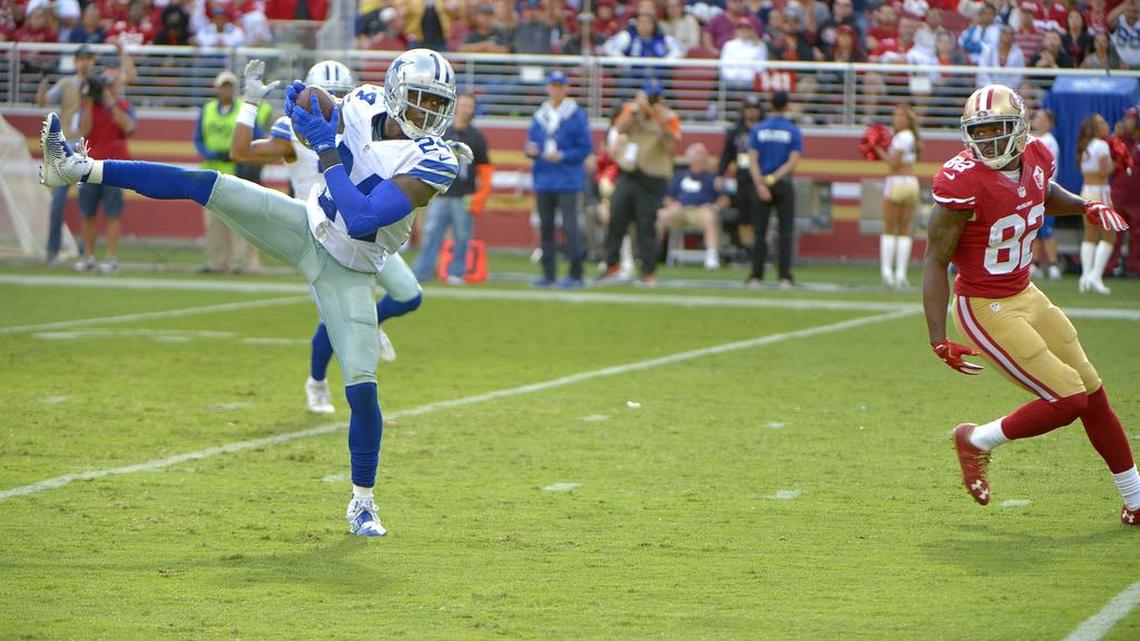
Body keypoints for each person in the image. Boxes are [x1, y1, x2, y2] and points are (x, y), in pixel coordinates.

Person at [40, 48, 460, 537]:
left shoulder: (435, 159)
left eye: (435, 103)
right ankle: (75, 168)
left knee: (363, 389)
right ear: (392, 90)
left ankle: (363, 503)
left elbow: (363, 217)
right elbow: (313, 118)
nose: (426, 113)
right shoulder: (364, 101)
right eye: (418, 100)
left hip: (351, 267)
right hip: (305, 225)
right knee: (206, 183)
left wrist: (325, 149)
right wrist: (304, 103)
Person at [923, 84, 1137, 526]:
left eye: (998, 129)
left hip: (1027, 293)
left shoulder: (1037, 156)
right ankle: (976, 440)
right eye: (979, 132)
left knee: (1093, 394)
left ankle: (1135, 501)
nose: (989, 141)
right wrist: (937, 338)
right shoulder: (960, 181)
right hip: (984, 304)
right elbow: (935, 258)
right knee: (1069, 397)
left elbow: (1041, 190)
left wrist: (1085, 208)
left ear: (1019, 129)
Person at [229, 60, 411, 413]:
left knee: (409, 294)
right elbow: (240, 152)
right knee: (332, 321)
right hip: (320, 233)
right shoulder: (293, 130)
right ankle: (317, 383)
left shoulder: (362, 122)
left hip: (366, 232)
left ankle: (372, 322)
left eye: (341, 95)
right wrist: (249, 103)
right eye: (329, 96)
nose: (336, 103)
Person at [598, 77, 681, 287]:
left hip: (653, 177)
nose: (650, 102)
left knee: (646, 225)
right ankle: (611, 265)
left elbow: (671, 145)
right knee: (617, 218)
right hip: (630, 172)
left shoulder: (670, 117)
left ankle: (648, 271)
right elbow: (618, 128)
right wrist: (636, 110)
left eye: (654, 98)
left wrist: (658, 117)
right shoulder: (633, 111)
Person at [414, 93, 493, 285]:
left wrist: (481, 195)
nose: (466, 109)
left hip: (465, 195)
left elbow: (485, 169)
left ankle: (456, 272)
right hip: (441, 193)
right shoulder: (442, 133)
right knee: (432, 233)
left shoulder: (477, 138)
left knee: (462, 236)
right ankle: (422, 272)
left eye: (469, 106)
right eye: (463, 105)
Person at [526, 70, 593, 288]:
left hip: (567, 179)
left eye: (559, 85)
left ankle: (576, 274)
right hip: (544, 178)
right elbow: (531, 143)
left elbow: (585, 148)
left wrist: (563, 155)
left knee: (571, 228)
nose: (556, 89)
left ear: (566, 88)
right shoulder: (540, 115)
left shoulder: (576, 115)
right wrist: (531, 150)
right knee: (546, 228)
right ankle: (549, 273)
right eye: (553, 85)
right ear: (548, 88)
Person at [35, 44, 95, 266]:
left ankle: (85, 249)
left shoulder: (95, 85)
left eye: (88, 58)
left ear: (93, 61)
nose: (84, 62)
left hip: (86, 148)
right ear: (76, 61)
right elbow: (42, 101)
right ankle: (53, 249)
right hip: (66, 147)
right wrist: (43, 79)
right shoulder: (67, 83)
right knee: (57, 202)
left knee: (87, 204)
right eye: (81, 58)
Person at [72, 71, 135, 273]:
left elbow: (129, 127)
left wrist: (111, 104)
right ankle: (88, 256)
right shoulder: (86, 106)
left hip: (114, 167)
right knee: (87, 213)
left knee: (112, 214)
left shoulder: (123, 106)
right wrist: (90, 101)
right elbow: (83, 130)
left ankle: (111, 257)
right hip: (89, 165)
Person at [195, 70, 252, 274]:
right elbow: (198, 140)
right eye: (223, 86)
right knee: (212, 222)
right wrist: (212, 153)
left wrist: (236, 154)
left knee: (238, 220)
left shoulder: (243, 110)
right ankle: (215, 262)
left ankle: (238, 262)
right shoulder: (207, 110)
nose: (226, 90)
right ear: (217, 88)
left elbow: (254, 136)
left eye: (230, 86)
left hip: (236, 171)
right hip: (210, 172)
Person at [745, 90, 802, 289]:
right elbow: (792, 162)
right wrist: (773, 179)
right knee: (785, 232)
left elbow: (752, 159)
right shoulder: (792, 130)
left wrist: (760, 183)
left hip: (760, 183)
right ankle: (784, 276)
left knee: (759, 232)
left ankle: (756, 276)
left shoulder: (759, 129)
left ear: (770, 105)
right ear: (787, 106)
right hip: (783, 183)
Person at [875, 104, 921, 289]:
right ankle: (901, 274)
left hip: (896, 183)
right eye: (895, 116)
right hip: (911, 183)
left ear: (908, 120)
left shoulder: (902, 137)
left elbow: (893, 163)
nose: (896, 120)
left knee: (889, 226)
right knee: (904, 228)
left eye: (900, 117)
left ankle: (888, 272)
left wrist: (877, 150)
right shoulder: (913, 138)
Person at [657, 143, 722, 270]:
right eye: (699, 154)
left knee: (710, 217)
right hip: (680, 211)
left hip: (700, 211)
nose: (702, 157)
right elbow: (667, 197)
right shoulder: (680, 176)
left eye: (704, 154)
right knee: (661, 215)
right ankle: (652, 253)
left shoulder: (712, 178)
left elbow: (724, 199)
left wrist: (715, 207)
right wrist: (672, 204)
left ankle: (712, 257)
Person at [718, 95, 765, 260]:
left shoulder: (764, 130)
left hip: (760, 179)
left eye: (754, 108)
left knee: (760, 216)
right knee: (744, 216)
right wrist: (720, 174)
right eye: (748, 108)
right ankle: (746, 249)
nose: (751, 112)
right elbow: (726, 155)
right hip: (743, 178)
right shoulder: (736, 131)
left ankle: (761, 250)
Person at [1076, 113, 1115, 294]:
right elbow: (1103, 173)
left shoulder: (1085, 146)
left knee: (1089, 235)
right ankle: (1095, 276)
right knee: (1109, 236)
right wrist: (1117, 164)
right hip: (1101, 193)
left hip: (1086, 192)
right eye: (1101, 123)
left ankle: (1085, 277)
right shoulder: (1102, 145)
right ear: (1095, 128)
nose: (1106, 125)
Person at [1029, 108, 1062, 281]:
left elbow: (1042, 166)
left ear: (1048, 122)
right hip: (1037, 190)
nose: (1037, 120)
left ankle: (1053, 263)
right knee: (1036, 229)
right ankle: (1035, 263)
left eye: (1041, 118)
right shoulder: (1040, 139)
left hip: (1044, 190)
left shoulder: (1048, 141)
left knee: (1047, 230)